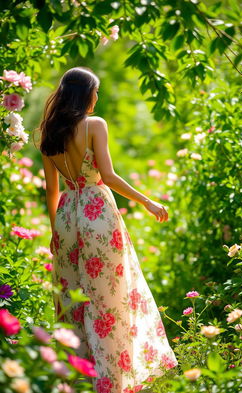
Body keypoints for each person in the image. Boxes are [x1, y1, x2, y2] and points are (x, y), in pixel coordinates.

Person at [39, 67, 178, 393]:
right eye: (95, 92)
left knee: (74, 303)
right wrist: (148, 202)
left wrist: (55, 232)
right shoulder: (94, 125)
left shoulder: (47, 133)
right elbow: (109, 177)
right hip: (97, 215)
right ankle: (112, 381)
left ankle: (80, 380)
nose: (97, 98)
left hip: (66, 220)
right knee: (110, 301)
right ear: (86, 94)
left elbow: (50, 190)